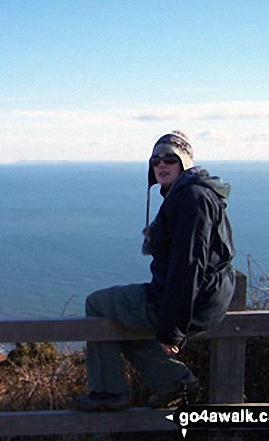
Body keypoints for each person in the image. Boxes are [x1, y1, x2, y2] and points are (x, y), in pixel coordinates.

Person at [72, 131, 236, 411]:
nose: (161, 165)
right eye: (155, 160)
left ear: (183, 162)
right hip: (205, 300)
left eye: (169, 159)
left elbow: (189, 264)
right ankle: (174, 380)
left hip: (192, 303)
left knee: (97, 304)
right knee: (122, 322)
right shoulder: (191, 194)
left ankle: (109, 392)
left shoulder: (191, 198)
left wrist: (172, 329)